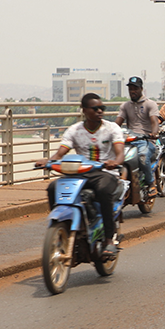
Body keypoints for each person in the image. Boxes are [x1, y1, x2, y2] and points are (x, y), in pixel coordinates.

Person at [35, 94, 125, 257]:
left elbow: (120, 153)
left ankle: (108, 239)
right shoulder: (74, 130)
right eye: (95, 108)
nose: (100, 111)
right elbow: (61, 152)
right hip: (80, 173)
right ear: (84, 110)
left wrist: (115, 161)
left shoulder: (112, 128)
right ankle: (62, 227)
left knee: (103, 190)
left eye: (102, 108)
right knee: (53, 187)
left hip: (105, 172)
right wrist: (49, 161)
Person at [115, 76, 161, 197]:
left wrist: (154, 133)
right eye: (130, 89)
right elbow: (117, 123)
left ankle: (151, 184)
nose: (132, 91)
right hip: (130, 140)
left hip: (146, 140)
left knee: (142, 157)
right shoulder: (125, 106)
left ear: (141, 89)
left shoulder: (150, 104)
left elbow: (154, 122)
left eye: (135, 88)